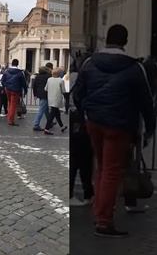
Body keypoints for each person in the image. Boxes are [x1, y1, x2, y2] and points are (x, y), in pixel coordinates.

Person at [73, 24, 155, 238]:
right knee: (111, 171)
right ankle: (103, 220)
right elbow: (146, 101)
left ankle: (99, 211)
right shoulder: (135, 67)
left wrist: (85, 115)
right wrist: (149, 128)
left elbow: (77, 94)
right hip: (119, 124)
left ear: (106, 40)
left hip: (94, 122)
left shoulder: (90, 63)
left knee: (101, 168)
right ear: (125, 41)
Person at [70, 58, 94, 206]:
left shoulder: (70, 78)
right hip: (82, 120)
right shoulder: (82, 78)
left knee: (77, 160)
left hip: (74, 119)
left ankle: (82, 192)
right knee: (85, 160)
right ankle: (87, 193)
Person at [1, 59, 28, 126]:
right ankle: (11, 120)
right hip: (16, 90)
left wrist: (6, 86)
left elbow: (2, 81)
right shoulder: (20, 72)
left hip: (8, 89)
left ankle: (9, 116)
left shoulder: (6, 71)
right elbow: (23, 83)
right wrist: (25, 90)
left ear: (11, 64)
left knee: (10, 103)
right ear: (17, 64)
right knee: (13, 105)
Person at [43, 68, 68, 135]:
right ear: (59, 74)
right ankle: (46, 128)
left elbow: (46, 89)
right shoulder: (61, 80)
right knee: (52, 114)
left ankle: (62, 126)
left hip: (50, 98)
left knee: (57, 113)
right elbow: (63, 91)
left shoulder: (49, 79)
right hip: (57, 98)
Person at [32, 63, 52, 131]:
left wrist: (35, 94)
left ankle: (50, 121)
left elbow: (34, 86)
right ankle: (36, 124)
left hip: (40, 94)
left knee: (45, 109)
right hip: (46, 94)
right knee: (41, 109)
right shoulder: (49, 76)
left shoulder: (37, 76)